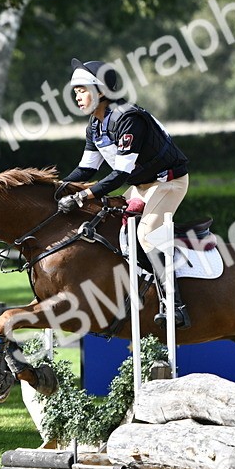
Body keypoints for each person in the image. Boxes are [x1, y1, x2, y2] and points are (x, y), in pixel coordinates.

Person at [56, 58, 192, 329]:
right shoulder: (95, 126)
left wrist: (81, 197)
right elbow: (86, 169)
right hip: (141, 187)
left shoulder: (127, 120)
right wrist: (55, 188)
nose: (77, 97)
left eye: (82, 90)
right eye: (75, 92)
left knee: (146, 236)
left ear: (102, 91)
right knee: (108, 227)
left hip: (168, 183)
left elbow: (119, 175)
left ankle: (174, 305)